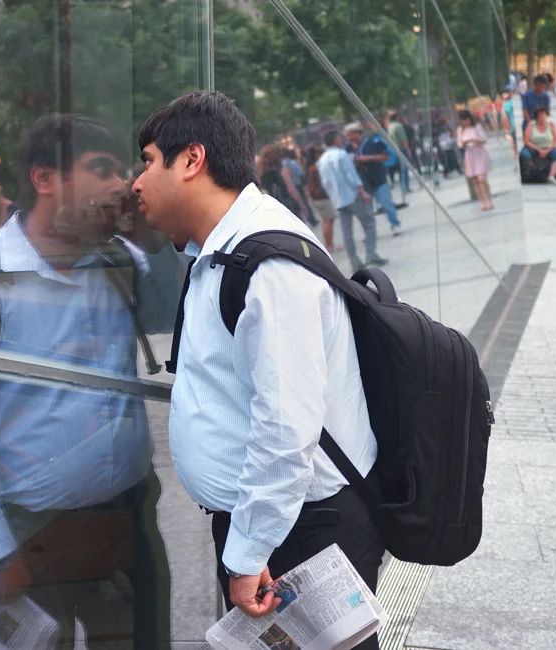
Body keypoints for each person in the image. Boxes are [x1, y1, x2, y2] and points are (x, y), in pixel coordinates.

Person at [132, 91, 384, 648]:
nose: (137, 182)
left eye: (148, 161)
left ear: (192, 160)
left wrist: (249, 550)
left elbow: (286, 426)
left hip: (298, 531)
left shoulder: (266, 266)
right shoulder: (222, 250)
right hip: (275, 525)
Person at [0, 113, 178, 648]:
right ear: (43, 179)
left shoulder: (118, 261)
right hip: (29, 542)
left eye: (122, 170)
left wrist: (152, 238)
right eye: (100, 169)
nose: (121, 185)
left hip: (126, 524)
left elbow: (174, 311)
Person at [317, 131, 387, 272]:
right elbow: (351, 175)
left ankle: (354, 260)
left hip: (338, 199)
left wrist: (334, 197)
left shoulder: (322, 160)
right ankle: (371, 254)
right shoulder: (342, 155)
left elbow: (325, 183)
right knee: (369, 224)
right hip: (353, 195)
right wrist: (362, 191)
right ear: (336, 139)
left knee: (347, 231)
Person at [344, 122, 402, 235]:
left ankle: (395, 224)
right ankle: (370, 232)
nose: (348, 138)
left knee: (387, 205)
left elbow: (386, 156)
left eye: (350, 135)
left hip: (378, 179)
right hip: (363, 183)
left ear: (357, 133)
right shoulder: (348, 148)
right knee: (367, 211)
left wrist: (368, 158)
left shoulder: (373, 143)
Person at [305, 145, 342, 253]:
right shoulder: (316, 167)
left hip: (317, 198)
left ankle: (329, 244)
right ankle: (329, 245)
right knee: (328, 221)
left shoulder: (309, 167)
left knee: (327, 220)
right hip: (322, 197)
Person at [456, 110, 494, 211]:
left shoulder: (477, 127)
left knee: (482, 178)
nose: (465, 122)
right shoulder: (460, 130)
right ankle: (482, 202)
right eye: (463, 120)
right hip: (469, 155)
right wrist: (464, 143)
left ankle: (488, 200)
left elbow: (484, 140)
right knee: (475, 180)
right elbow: (459, 143)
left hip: (479, 153)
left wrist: (474, 140)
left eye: (467, 119)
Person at [258, 144, 307, 221]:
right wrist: (303, 206)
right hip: (287, 207)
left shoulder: (261, 174)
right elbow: (291, 190)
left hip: (273, 210)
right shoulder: (281, 170)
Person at [522, 107, 556, 184]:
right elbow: (527, 141)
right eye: (540, 115)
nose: (543, 117)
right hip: (534, 147)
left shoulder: (551, 125)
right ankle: (530, 173)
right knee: (524, 154)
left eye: (545, 115)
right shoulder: (531, 125)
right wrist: (539, 150)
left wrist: (548, 149)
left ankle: (551, 176)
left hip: (548, 147)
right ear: (536, 117)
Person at [283, 148, 316, 225]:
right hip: (297, 185)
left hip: (288, 187)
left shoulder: (282, 165)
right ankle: (311, 219)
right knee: (304, 202)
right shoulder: (293, 163)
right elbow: (300, 174)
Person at [384, 110, 411, 193]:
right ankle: (405, 187)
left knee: (399, 169)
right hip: (401, 150)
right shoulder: (398, 126)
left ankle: (403, 187)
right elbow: (403, 139)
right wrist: (408, 149)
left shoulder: (389, 127)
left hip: (394, 150)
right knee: (404, 169)